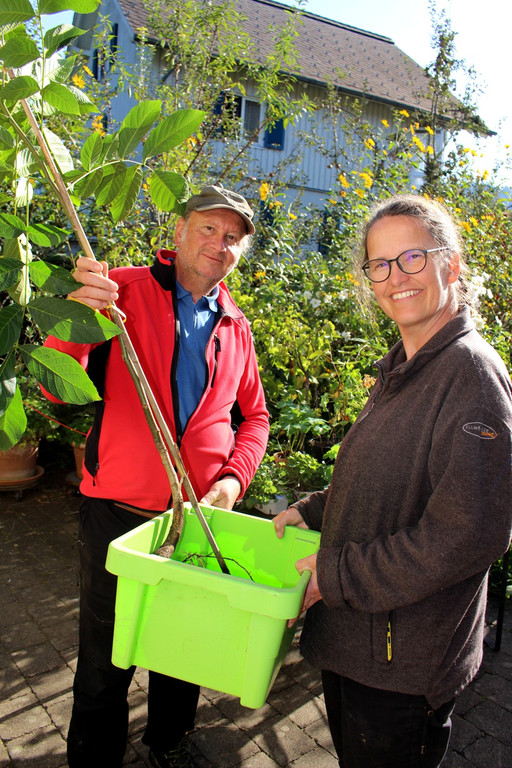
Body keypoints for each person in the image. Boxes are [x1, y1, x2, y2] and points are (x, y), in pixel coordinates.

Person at [274, 194, 512, 768]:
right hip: (360, 644)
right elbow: (384, 476)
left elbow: (468, 535)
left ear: (450, 265)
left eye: (411, 258)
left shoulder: (471, 378)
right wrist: (312, 510)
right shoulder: (406, 367)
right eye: (379, 264)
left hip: (401, 664)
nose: (394, 277)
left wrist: (335, 575)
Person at [44, 185, 269, 768]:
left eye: (233, 237)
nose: (220, 244)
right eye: (208, 228)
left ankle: (169, 744)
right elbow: (55, 388)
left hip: (195, 523)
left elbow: (255, 418)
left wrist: (232, 481)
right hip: (118, 518)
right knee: (105, 661)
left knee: (182, 653)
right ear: (179, 231)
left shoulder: (236, 327)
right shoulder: (118, 292)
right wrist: (76, 317)